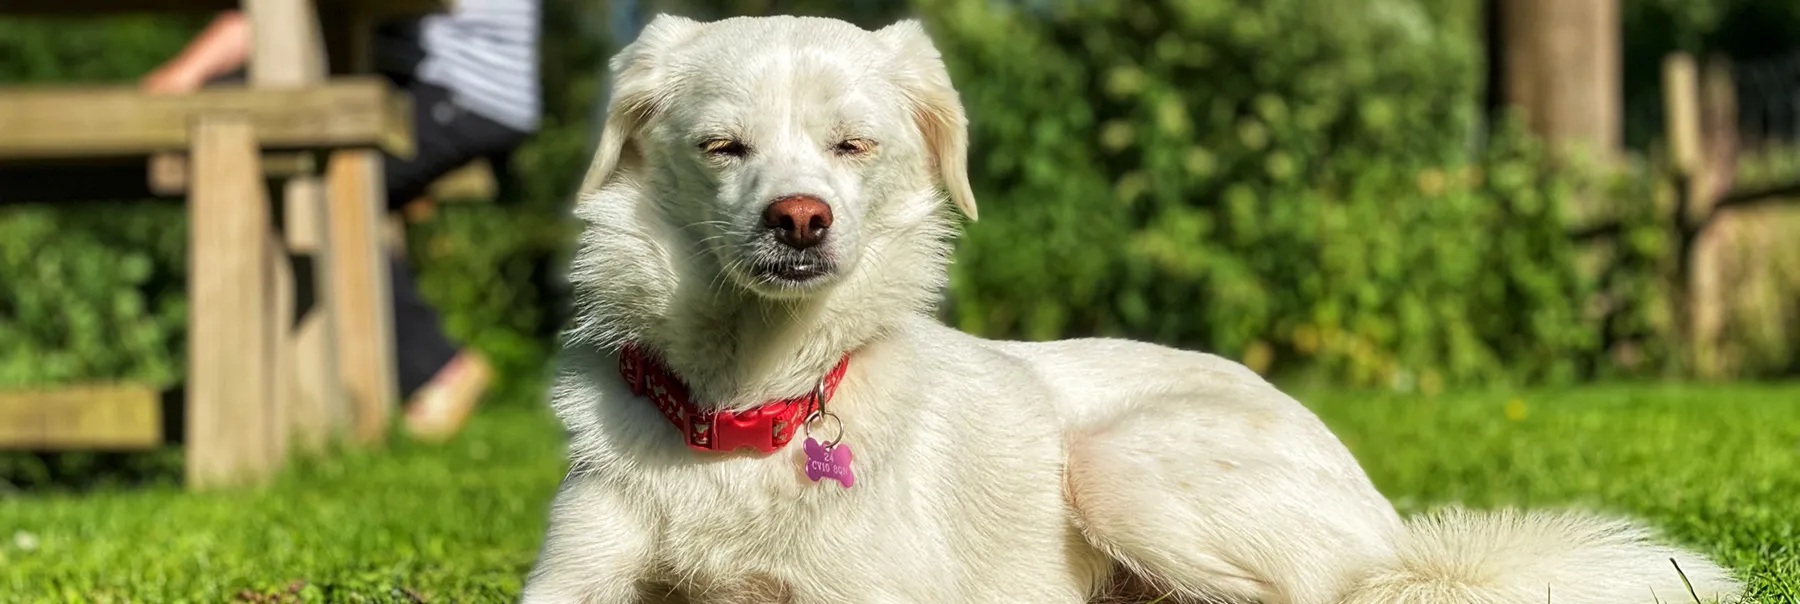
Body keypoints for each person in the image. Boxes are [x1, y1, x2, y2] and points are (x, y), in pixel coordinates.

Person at [140, 1, 542, 440]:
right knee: (282, 146)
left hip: (460, 88)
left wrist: (184, 73)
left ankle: (432, 368)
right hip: (447, 84)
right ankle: (380, 385)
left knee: (300, 177)